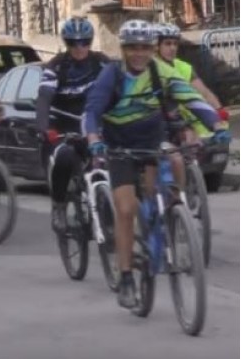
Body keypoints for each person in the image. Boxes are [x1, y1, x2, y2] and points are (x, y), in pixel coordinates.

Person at [83, 19, 229, 309]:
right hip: (120, 147)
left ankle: (164, 222)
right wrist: (93, 138)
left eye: (145, 48)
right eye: (132, 48)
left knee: (159, 185)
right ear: (123, 49)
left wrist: (216, 124)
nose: (139, 53)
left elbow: (191, 98)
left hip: (151, 141)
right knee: (126, 209)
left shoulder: (160, 71)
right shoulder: (112, 74)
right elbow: (92, 110)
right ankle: (126, 276)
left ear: (152, 49)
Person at [35, 17, 111, 233]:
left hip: (92, 124)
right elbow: (44, 98)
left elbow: (119, 89)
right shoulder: (56, 66)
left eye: (84, 42)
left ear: (91, 42)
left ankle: (109, 209)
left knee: (113, 159)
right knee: (65, 156)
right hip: (62, 126)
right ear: (66, 43)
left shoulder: (101, 62)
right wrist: (43, 127)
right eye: (73, 43)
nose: (79, 48)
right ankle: (59, 205)